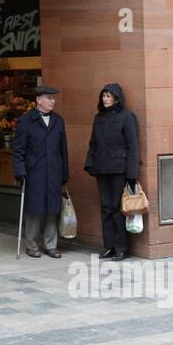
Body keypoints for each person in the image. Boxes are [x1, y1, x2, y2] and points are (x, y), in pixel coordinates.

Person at [11, 85, 70, 259]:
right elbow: (18, 150)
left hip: (53, 171)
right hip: (34, 172)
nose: (53, 101)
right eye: (49, 98)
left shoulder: (58, 121)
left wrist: (64, 172)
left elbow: (63, 149)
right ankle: (32, 245)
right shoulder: (26, 121)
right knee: (34, 210)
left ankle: (51, 245)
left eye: (53, 98)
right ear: (38, 100)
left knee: (53, 209)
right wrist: (20, 170)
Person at [84, 82, 139, 260]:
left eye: (109, 96)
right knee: (106, 208)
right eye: (104, 96)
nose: (105, 99)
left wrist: (132, 173)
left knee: (117, 208)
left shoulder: (127, 116)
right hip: (102, 169)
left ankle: (121, 247)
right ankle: (109, 246)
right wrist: (90, 164)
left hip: (118, 169)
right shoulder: (98, 117)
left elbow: (132, 146)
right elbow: (93, 143)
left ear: (116, 98)